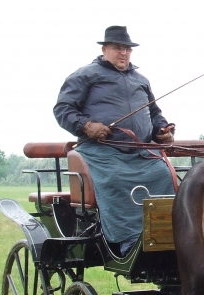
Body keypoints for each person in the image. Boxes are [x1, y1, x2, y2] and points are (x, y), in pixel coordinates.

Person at [54, 25, 176, 255]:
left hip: (140, 152)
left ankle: (165, 237)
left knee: (163, 174)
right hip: (101, 151)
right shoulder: (85, 75)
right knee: (115, 178)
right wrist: (87, 126)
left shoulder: (141, 80)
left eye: (128, 49)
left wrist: (162, 130)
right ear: (105, 49)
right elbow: (62, 109)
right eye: (118, 48)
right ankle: (128, 241)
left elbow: (155, 114)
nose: (124, 53)